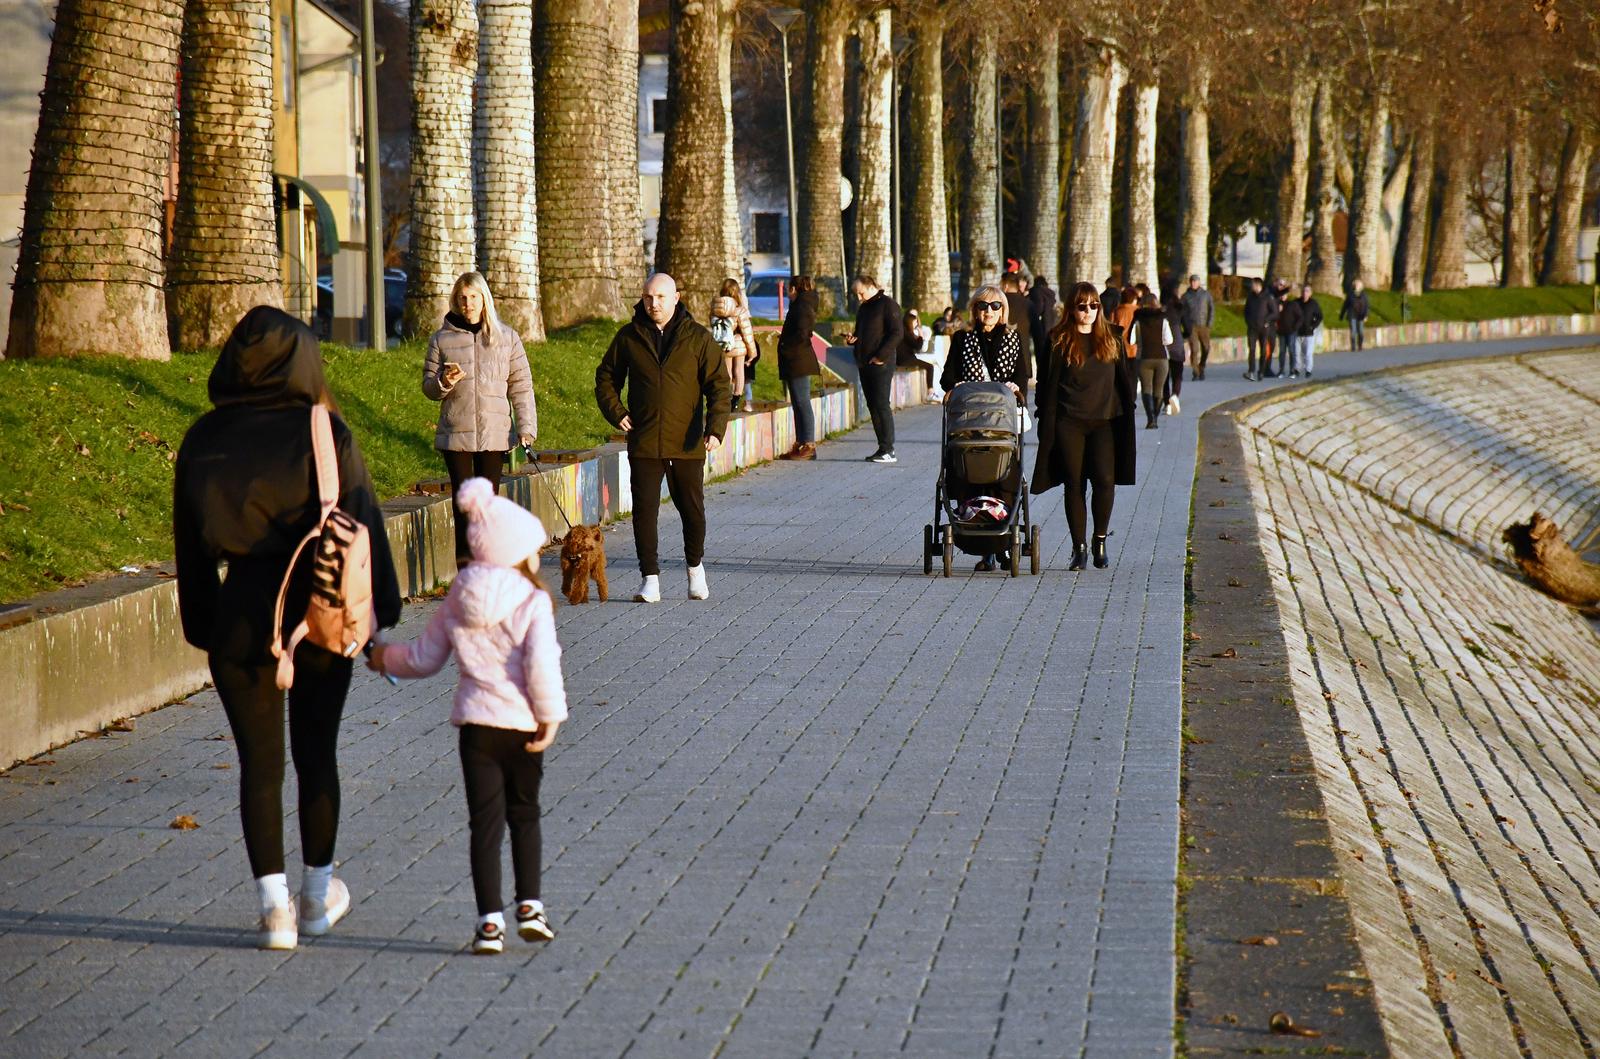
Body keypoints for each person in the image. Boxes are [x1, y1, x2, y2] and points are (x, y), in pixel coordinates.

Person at [173, 305, 403, 950]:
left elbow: (191, 553)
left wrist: (206, 628)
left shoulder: (204, 439)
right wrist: (381, 619)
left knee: (258, 766)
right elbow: (363, 527)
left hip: (240, 620)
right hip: (320, 616)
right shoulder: (324, 431)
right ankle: (316, 895)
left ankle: (273, 909)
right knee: (316, 755)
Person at [369, 478, 566, 955]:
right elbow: (540, 663)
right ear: (517, 553)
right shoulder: (531, 599)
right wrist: (550, 715)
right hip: (522, 726)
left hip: (477, 729)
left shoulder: (460, 593)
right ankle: (531, 906)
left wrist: (383, 658)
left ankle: (489, 923)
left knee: (485, 824)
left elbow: (425, 657)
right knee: (525, 814)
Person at [595, 273, 731, 603]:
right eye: (647, 298)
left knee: (692, 511)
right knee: (644, 512)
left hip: (687, 444)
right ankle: (649, 579)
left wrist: (715, 428)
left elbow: (719, 386)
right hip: (644, 441)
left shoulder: (698, 338)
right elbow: (606, 377)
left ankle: (695, 569)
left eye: (660, 297)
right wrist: (617, 412)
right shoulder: (629, 337)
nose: (653, 304)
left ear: (675, 298)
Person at [422, 272, 537, 569]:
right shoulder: (441, 339)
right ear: (456, 301)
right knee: (463, 509)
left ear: (484, 299)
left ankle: (488, 569)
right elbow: (429, 388)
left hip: (493, 435)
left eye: (473, 297)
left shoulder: (507, 338)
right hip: (456, 435)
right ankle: (465, 574)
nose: (468, 303)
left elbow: (521, 386)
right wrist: (444, 381)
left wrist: (526, 429)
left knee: (486, 508)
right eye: (463, 298)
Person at [1032, 282, 1136, 572]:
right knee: (1074, 483)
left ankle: (1099, 540)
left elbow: (1124, 379)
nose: (1088, 311)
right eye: (1082, 306)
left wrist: (1130, 410)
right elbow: (1045, 383)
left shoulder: (1113, 338)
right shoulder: (1057, 339)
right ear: (1071, 309)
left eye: (1094, 306)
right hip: (1068, 422)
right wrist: (1043, 416)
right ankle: (1079, 549)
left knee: (1104, 480)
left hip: (1105, 421)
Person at [941, 286, 1028, 572]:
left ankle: (1001, 540)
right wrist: (957, 387)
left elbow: (1022, 378)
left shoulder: (1014, 339)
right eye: (982, 306)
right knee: (971, 472)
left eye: (994, 306)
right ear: (974, 310)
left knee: (1004, 475)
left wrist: (1015, 387)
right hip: (970, 425)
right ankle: (984, 548)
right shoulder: (963, 339)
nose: (988, 311)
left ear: (1003, 310)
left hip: (1002, 427)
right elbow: (947, 378)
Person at [843, 273, 903, 464]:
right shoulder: (864, 308)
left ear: (870, 286)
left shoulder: (888, 305)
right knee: (873, 405)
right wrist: (854, 340)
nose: (859, 298)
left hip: (881, 363)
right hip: (864, 362)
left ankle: (889, 449)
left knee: (881, 404)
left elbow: (896, 333)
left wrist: (881, 356)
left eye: (861, 293)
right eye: (856, 295)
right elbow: (864, 333)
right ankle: (882, 447)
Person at [776, 274, 820, 461]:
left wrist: (787, 344)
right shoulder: (802, 304)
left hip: (798, 359)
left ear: (794, 289)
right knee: (798, 403)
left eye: (788, 289)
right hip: (795, 360)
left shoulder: (802, 305)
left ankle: (808, 444)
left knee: (802, 403)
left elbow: (803, 331)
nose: (787, 292)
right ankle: (801, 442)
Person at [710, 278, 758, 413]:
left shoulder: (715, 308)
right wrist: (752, 352)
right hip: (739, 345)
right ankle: (735, 399)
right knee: (739, 371)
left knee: (727, 373)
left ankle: (725, 397)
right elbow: (747, 333)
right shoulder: (739, 310)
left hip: (723, 345)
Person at [1131, 293, 1173, 429]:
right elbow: (1169, 340)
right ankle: (1155, 416)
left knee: (1146, 388)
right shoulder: (1163, 320)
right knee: (1159, 389)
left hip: (1143, 358)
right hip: (1162, 358)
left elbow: (1131, 340)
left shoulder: (1138, 320)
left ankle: (1151, 419)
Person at [1242, 277, 1279, 381]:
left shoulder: (1268, 297)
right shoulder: (1250, 297)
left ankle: (1261, 371)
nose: (1251, 286)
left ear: (1258, 285)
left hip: (1264, 328)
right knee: (1252, 349)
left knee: (1263, 350)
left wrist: (1267, 321)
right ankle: (1251, 371)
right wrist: (1248, 322)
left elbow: (1275, 312)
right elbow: (1246, 311)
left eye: (1253, 285)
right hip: (1252, 328)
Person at [1181, 274, 1214, 380]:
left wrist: (1209, 323)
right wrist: (1185, 325)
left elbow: (1211, 309)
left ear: (1199, 282)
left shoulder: (1206, 295)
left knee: (1206, 348)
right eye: (1192, 281)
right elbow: (1182, 312)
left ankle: (1202, 367)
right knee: (1194, 349)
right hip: (1192, 326)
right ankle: (1195, 371)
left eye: (1195, 281)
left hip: (1204, 325)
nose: (1193, 283)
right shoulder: (1186, 296)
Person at [1160, 286, 1186, 414]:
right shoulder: (1180, 309)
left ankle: (1166, 404)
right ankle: (1175, 395)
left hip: (1164, 346)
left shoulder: (1161, 312)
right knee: (1177, 375)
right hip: (1177, 345)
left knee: (1165, 377)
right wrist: (1184, 335)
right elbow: (1189, 327)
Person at [898, 308, 935, 394]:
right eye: (915, 322)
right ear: (910, 322)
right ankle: (930, 392)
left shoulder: (904, 331)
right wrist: (921, 336)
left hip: (905, 358)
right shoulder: (906, 332)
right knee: (930, 367)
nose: (916, 324)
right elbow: (918, 346)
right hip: (905, 360)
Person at [1291, 284, 1324, 378]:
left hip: (1308, 333)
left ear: (1310, 293)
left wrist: (1313, 326)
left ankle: (1308, 370)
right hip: (1297, 332)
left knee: (1308, 353)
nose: (1304, 293)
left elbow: (1319, 316)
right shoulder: (1296, 302)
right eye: (1303, 291)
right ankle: (1297, 369)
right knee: (1297, 352)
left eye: (1307, 291)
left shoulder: (1313, 304)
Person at [1340, 278, 1370, 352]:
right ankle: (1353, 346)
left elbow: (1367, 306)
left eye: (1358, 285)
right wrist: (1342, 315)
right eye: (1355, 285)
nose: (1356, 286)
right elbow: (1345, 305)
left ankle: (1360, 345)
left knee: (1360, 331)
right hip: (1352, 315)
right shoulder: (1350, 295)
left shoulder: (1364, 295)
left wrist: (1366, 315)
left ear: (1361, 286)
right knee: (1353, 331)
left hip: (1361, 315)